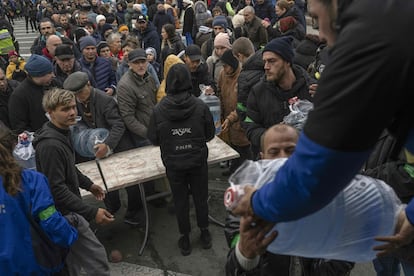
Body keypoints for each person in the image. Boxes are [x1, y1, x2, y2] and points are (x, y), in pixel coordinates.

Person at [231, 0, 414, 268]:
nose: (324, 37)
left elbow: (316, 173)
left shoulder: (368, 39)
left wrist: (257, 202)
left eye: (316, 19)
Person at [33, 88, 113, 275]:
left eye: (72, 107)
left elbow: (69, 167)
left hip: (68, 212)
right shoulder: (50, 145)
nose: (71, 113)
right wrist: (92, 212)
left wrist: (88, 184)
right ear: (50, 112)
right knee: (97, 259)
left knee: (73, 263)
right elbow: (57, 189)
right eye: (64, 109)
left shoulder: (62, 132)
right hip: (65, 215)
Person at [147, 63, 215, 256]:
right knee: (201, 198)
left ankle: (184, 237)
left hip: (174, 164)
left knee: (180, 200)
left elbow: (152, 138)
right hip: (197, 161)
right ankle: (205, 232)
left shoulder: (158, 110)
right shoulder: (200, 106)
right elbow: (209, 134)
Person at [0, 126, 78, 275]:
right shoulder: (31, 180)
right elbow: (50, 220)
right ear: (13, 145)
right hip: (36, 265)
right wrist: (70, 234)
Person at [243, 37, 313, 156]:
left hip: (307, 160)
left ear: (287, 62)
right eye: (265, 61)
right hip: (273, 162)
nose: (266, 66)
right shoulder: (258, 92)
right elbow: (250, 126)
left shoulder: (312, 89)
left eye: (272, 61)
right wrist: (272, 137)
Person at [217, 49, 252, 175]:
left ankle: (243, 174)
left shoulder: (242, 77)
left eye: (226, 66)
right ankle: (234, 170)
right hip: (228, 118)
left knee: (243, 150)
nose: (224, 69)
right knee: (233, 147)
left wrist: (232, 118)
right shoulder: (222, 74)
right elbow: (220, 92)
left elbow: (243, 105)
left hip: (239, 119)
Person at [8, 54, 54, 133]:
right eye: (49, 73)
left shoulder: (52, 84)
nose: (53, 75)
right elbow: (19, 127)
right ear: (39, 75)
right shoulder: (19, 96)